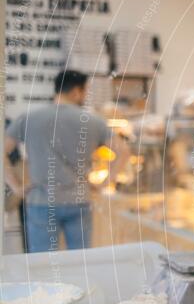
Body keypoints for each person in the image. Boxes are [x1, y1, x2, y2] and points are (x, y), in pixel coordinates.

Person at [4, 70, 129, 252]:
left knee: (43, 264)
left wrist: (16, 187)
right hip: (79, 201)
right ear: (76, 91)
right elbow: (123, 152)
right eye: (85, 91)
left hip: (41, 201)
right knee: (79, 262)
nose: (85, 96)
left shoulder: (29, 118)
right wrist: (105, 183)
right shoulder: (93, 121)